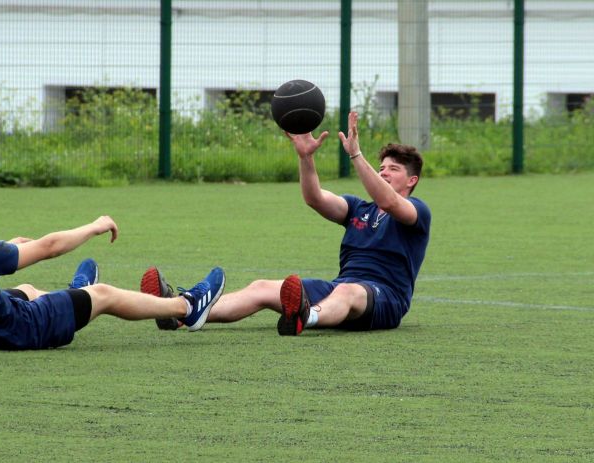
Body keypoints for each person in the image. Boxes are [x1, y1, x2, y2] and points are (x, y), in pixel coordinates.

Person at [144, 111, 430, 334]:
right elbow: (314, 198)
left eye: (393, 169)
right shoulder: (359, 208)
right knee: (262, 287)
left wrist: (355, 155)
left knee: (348, 292)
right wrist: (305, 157)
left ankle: (306, 316)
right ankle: (180, 312)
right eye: (381, 168)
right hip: (339, 287)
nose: (384, 173)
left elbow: (389, 202)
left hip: (385, 299)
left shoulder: (417, 211)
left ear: (412, 180)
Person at [0, 179, 225, 350]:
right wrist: (94, 226)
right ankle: (186, 307)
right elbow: (49, 247)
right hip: (17, 332)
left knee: (26, 289)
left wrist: (6, 248)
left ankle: (76, 294)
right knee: (104, 294)